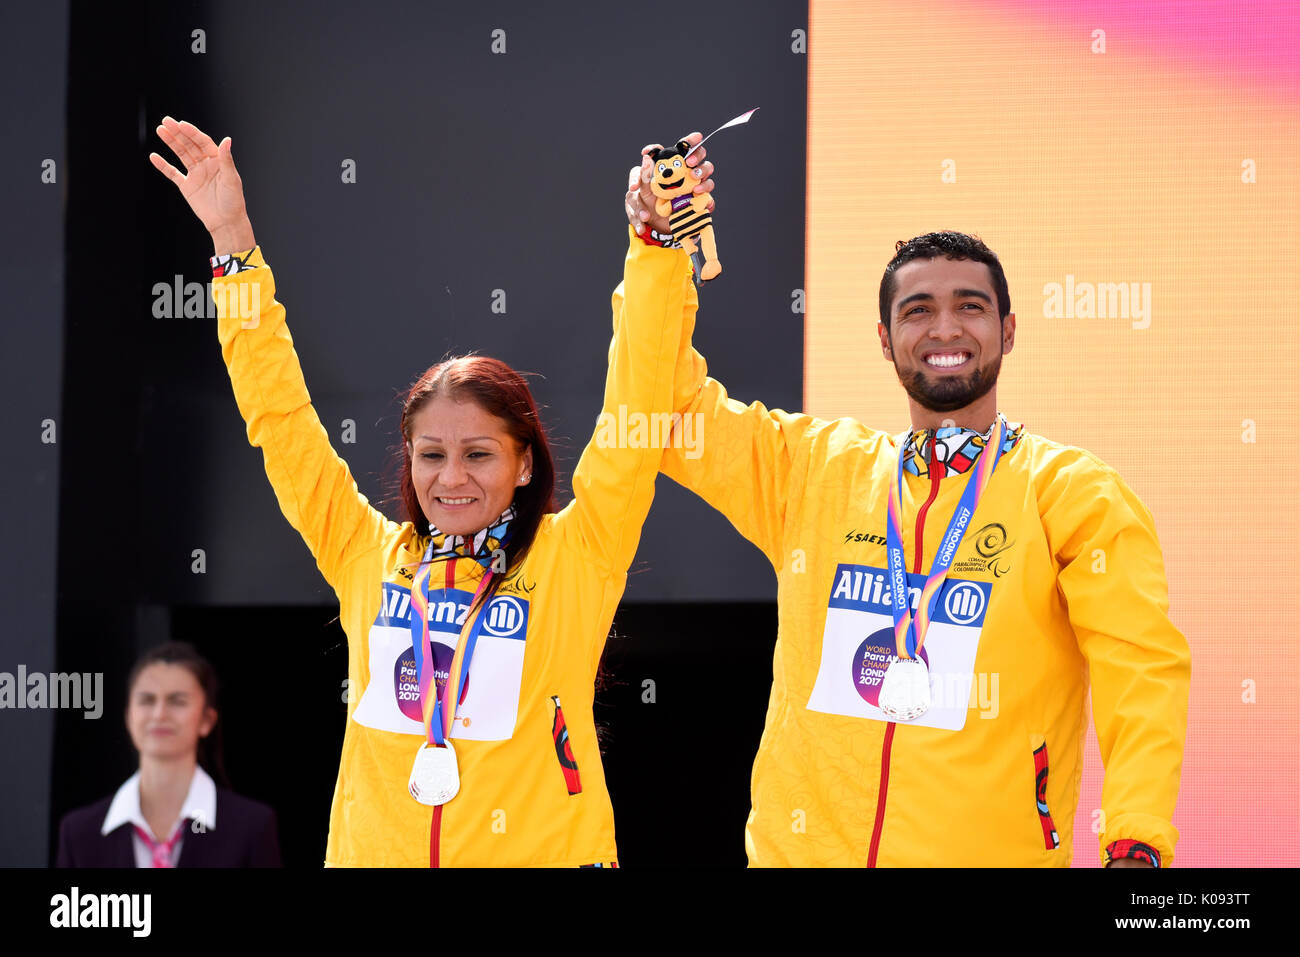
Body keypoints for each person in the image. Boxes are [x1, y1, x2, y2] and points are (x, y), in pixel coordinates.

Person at [147, 117, 715, 866]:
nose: (451, 477)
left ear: (522, 463)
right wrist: (233, 244)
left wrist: (654, 251)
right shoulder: (366, 555)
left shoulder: (579, 553)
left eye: (479, 453)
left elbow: (638, 403)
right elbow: (278, 418)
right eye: (432, 454)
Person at [623, 158, 1191, 867]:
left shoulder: (1071, 492)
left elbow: (1140, 669)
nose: (943, 328)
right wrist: (655, 251)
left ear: (1008, 330)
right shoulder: (818, 470)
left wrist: (1135, 838)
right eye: (917, 310)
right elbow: (669, 411)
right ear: (886, 339)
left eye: (970, 306)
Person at [56, 641, 281, 867]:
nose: (159, 714)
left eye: (177, 701)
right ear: (128, 717)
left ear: (206, 720)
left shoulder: (251, 827)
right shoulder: (79, 833)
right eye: (147, 700)